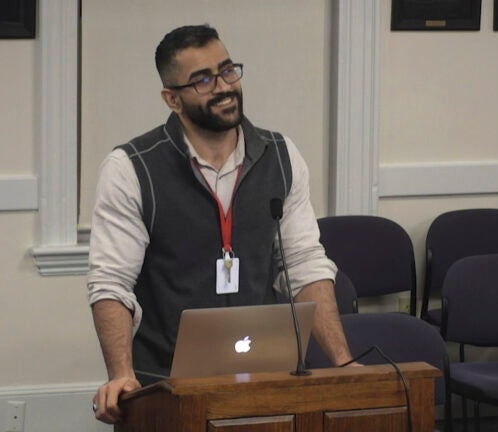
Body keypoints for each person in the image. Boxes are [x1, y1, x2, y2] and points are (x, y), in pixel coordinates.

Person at [87, 24, 357, 424]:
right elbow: (111, 283)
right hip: (165, 388)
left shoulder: (281, 156)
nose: (224, 86)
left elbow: (304, 265)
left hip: (265, 381)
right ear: (172, 99)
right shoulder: (130, 168)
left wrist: (343, 363)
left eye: (227, 70)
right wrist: (121, 375)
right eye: (203, 80)